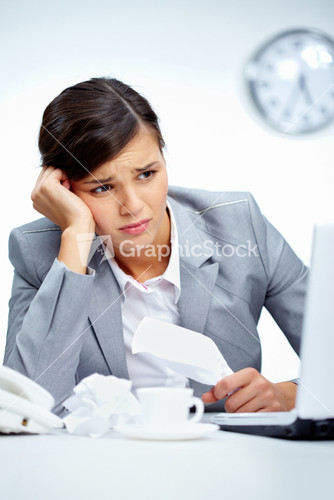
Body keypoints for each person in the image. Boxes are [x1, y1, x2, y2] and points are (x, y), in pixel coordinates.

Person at [4, 77, 308, 417]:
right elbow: (24, 409)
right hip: (100, 466)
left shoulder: (241, 226)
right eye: (102, 188)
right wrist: (75, 235)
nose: (133, 205)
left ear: (163, 156)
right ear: (64, 189)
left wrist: (292, 395)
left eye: (146, 174)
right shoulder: (39, 252)